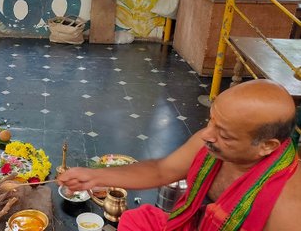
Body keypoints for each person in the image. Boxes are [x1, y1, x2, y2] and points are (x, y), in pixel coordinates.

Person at [57, 79, 299, 231]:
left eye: (224, 135)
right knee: (137, 220)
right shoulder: (210, 139)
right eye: (211, 120)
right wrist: (95, 177)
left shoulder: (288, 205)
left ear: (267, 146)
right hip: (189, 223)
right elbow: (163, 170)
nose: (206, 135)